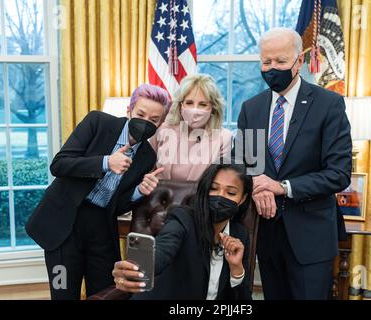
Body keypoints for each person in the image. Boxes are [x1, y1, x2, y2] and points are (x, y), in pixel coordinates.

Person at [233, 27, 352, 299]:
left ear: (299, 61)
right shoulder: (251, 108)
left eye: (281, 61)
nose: (272, 68)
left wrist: (282, 187)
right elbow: (242, 165)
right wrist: (258, 186)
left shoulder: (329, 104)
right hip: (267, 233)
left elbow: (339, 173)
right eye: (266, 62)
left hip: (312, 237)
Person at [25, 84, 171, 299]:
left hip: (102, 229)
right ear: (129, 111)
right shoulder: (97, 122)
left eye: (153, 120)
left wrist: (139, 191)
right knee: (63, 291)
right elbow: (59, 164)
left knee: (105, 294)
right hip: (65, 225)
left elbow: (118, 205)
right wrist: (105, 162)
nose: (145, 122)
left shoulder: (148, 156)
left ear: (161, 123)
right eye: (140, 114)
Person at [112, 163, 253, 300]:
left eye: (231, 192)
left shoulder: (240, 235)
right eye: (213, 189)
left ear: (242, 198)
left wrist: (237, 269)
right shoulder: (182, 219)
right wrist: (138, 268)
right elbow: (163, 248)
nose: (220, 196)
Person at [150, 73, 232, 181]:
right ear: (180, 105)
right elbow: (147, 168)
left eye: (203, 104)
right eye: (189, 103)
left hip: (201, 197)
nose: (195, 110)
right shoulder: (164, 129)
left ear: (213, 108)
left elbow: (221, 180)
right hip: (160, 195)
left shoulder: (224, 137)